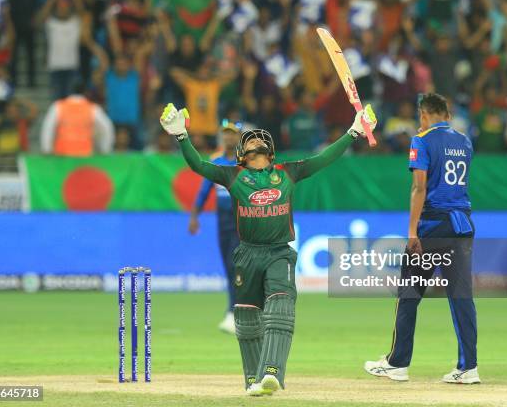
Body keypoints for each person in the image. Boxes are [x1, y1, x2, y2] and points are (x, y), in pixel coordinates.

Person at [161, 102, 377, 396]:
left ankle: (272, 372)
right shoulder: (232, 175)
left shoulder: (288, 172)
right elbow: (199, 166)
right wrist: (181, 137)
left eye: (260, 139)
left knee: (280, 308)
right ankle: (253, 380)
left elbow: (325, 158)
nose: (257, 140)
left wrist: (353, 132)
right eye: (250, 139)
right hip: (247, 253)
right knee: (247, 319)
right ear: (241, 153)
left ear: (271, 150)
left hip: (279, 253)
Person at [364, 93, 480, 384]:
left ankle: (397, 363)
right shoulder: (465, 141)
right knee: (461, 297)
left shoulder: (422, 140)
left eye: (420, 118)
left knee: (409, 294)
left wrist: (413, 231)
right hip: (462, 224)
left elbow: (419, 187)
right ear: (448, 115)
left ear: (424, 115)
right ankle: (468, 368)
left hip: (432, 226)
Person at [189, 122, 243, 334]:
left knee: (239, 267)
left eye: (233, 134)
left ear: (239, 137)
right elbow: (204, 191)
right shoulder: (216, 161)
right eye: (225, 134)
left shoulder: (246, 162)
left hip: (243, 220)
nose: (229, 138)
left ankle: (236, 312)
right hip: (223, 221)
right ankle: (233, 312)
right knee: (229, 267)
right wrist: (195, 216)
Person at [40, 81, 114, 156]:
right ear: (86, 92)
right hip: (85, 156)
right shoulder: (93, 108)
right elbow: (107, 127)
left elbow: (48, 128)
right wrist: (105, 149)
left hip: (62, 156)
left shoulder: (58, 106)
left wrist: (47, 149)